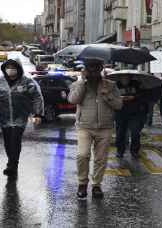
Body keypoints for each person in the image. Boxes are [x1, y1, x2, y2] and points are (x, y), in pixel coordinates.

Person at [68, 57, 122, 200]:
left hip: (105, 127)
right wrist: (81, 83)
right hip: (84, 126)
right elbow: (73, 100)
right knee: (82, 155)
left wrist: (107, 95)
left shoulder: (110, 85)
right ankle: (82, 183)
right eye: (90, 69)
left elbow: (119, 105)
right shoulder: (78, 84)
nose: (93, 72)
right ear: (85, 70)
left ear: (101, 69)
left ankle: (96, 185)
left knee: (101, 158)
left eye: (96, 69)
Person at [0, 59, 44, 178]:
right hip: (3, 118)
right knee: (7, 142)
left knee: (15, 140)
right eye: (8, 67)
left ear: (19, 69)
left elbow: (37, 97)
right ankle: (12, 162)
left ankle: (12, 164)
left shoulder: (27, 82)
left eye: (13, 67)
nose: (10, 69)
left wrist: (37, 114)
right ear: (4, 69)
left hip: (20, 117)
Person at [115, 76, 150, 159]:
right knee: (120, 133)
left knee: (135, 132)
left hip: (135, 113)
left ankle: (134, 151)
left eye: (126, 78)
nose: (125, 80)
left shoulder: (136, 84)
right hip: (120, 112)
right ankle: (120, 150)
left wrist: (134, 97)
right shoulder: (115, 85)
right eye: (123, 78)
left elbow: (143, 95)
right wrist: (120, 98)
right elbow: (111, 97)